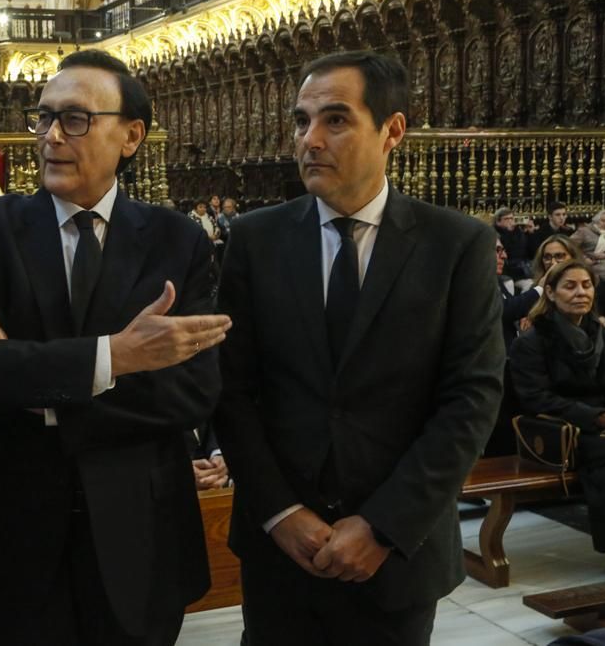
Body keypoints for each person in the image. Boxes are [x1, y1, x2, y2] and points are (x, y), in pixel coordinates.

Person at [0, 49, 230, 646]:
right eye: (43, 118)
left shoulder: (177, 241)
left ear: (131, 135)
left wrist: (33, 385)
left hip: (139, 534)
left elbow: (193, 391)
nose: (49, 137)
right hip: (16, 533)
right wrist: (115, 358)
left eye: (74, 119)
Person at [216, 51, 504, 645]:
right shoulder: (255, 239)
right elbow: (232, 388)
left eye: (335, 120)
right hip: (281, 554)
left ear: (392, 130)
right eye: (301, 121)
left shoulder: (456, 244)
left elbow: (470, 399)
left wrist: (383, 526)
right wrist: (279, 512)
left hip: (398, 554)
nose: (310, 140)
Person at [509, 261, 605, 577]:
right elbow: (536, 398)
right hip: (560, 429)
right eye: (570, 286)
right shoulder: (533, 340)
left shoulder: (596, 332)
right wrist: (598, 417)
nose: (581, 293)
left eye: (587, 285)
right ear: (549, 292)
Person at [498, 238, 541, 350]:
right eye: (498, 250)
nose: (504, 256)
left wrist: (524, 315)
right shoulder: (478, 281)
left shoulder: (495, 278)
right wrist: (541, 288)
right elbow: (504, 310)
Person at [495, 207, 534, 283]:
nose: (510, 221)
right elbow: (508, 252)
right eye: (506, 219)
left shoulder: (519, 232)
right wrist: (508, 232)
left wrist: (530, 234)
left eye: (512, 218)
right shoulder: (496, 233)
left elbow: (531, 252)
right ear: (498, 222)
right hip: (508, 269)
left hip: (523, 267)